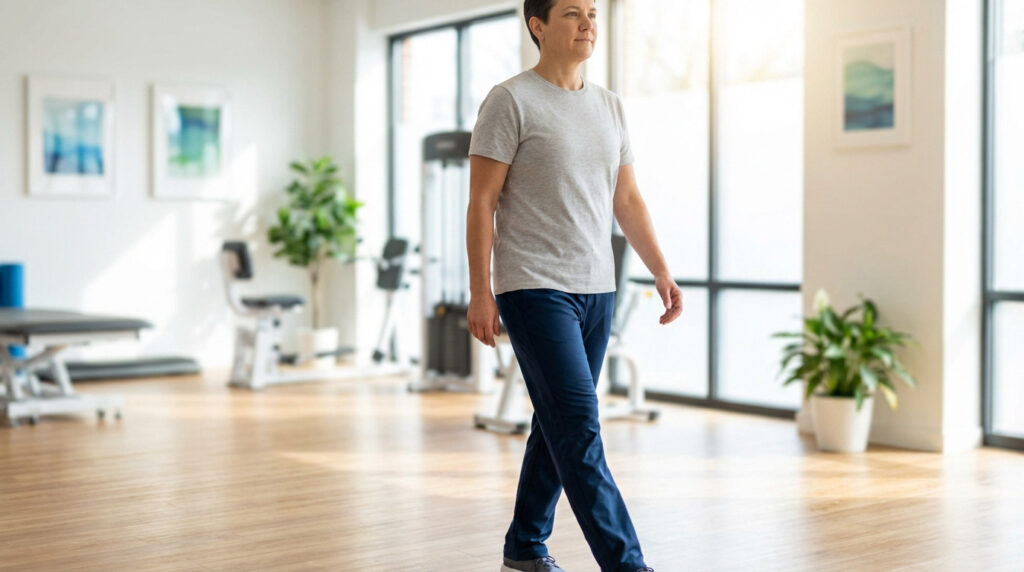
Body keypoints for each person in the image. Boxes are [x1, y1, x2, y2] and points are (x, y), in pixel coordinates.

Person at [466, 0, 682, 570]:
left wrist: (660, 268)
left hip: (597, 288)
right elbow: (482, 202)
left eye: (592, 12)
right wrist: (481, 291)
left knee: (556, 423)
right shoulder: (509, 100)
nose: (588, 22)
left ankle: (524, 545)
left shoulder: (609, 105)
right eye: (571, 13)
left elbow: (627, 198)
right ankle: (628, 564)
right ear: (538, 26)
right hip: (533, 287)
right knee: (581, 432)